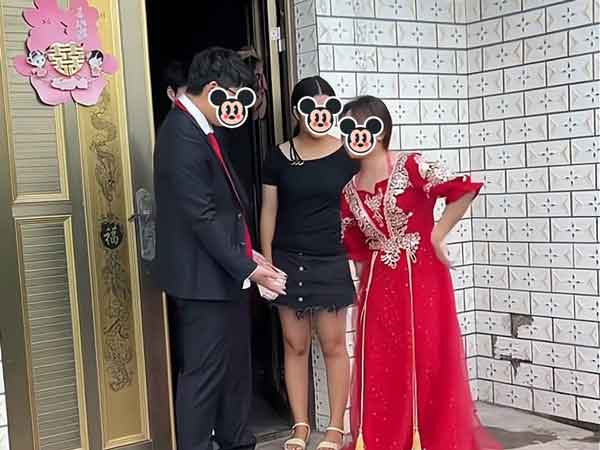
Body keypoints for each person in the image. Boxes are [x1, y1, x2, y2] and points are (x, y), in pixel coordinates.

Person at [339, 96, 502, 450]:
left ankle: (433, 440)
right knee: (383, 364)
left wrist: (437, 235)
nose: (354, 135)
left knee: (427, 358)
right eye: (347, 128)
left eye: (362, 127)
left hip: (423, 279)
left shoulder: (410, 165)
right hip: (378, 289)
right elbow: (357, 251)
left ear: (380, 131)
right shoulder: (349, 191)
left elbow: (462, 190)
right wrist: (362, 300)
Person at [154, 47, 287, 450]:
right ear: (213, 88)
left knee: (234, 371)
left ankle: (236, 441)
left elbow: (225, 207)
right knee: (204, 376)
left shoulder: (201, 128)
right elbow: (202, 217)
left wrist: (249, 255)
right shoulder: (180, 133)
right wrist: (250, 267)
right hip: (202, 281)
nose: (236, 108)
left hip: (223, 274)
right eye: (232, 97)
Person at [260, 76, 359, 450]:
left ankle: (335, 427)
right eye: (310, 107)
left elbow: (362, 204)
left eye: (328, 107)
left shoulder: (348, 153)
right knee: (294, 344)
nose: (320, 114)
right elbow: (269, 211)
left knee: (333, 344)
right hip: (289, 260)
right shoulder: (278, 156)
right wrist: (267, 265)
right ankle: (300, 425)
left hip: (332, 259)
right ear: (296, 112)